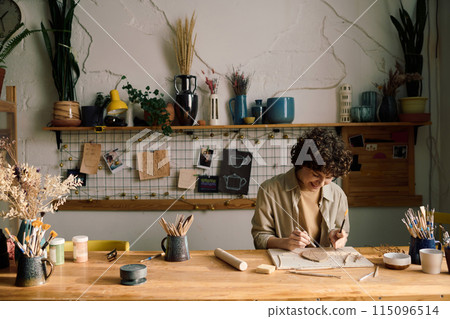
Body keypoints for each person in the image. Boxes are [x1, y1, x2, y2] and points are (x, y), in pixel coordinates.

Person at [251, 128, 353, 250]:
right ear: (301, 164)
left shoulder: (338, 194)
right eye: (316, 175)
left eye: (329, 177)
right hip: (285, 264)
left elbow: (342, 231)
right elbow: (259, 238)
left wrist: (338, 236)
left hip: (325, 263)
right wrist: (285, 243)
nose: (321, 183)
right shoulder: (270, 190)